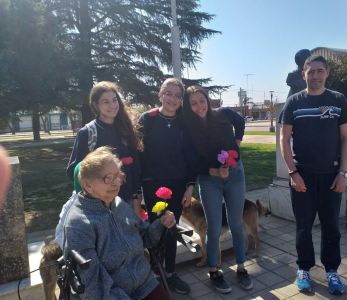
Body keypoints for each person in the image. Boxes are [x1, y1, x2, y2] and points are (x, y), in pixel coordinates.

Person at [62, 146, 175, 299]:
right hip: (112, 293)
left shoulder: (118, 203)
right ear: (87, 185)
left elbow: (145, 237)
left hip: (144, 282)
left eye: (118, 176)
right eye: (108, 178)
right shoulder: (79, 223)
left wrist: (161, 223)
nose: (116, 183)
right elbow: (93, 283)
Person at [280, 55, 347, 295]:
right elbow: (284, 139)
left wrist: (343, 172)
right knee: (303, 227)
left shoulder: (338, 100)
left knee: (331, 227)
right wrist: (293, 172)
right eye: (311, 72)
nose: (315, 76)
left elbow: (346, 139)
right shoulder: (294, 102)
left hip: (332, 176)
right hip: (303, 176)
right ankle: (303, 269)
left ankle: (332, 271)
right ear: (304, 74)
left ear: (327, 72)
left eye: (319, 71)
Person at [182, 85, 253, 294]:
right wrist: (213, 172)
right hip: (209, 179)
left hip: (235, 175)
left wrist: (237, 142)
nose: (198, 106)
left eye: (201, 101)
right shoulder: (189, 128)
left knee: (236, 223)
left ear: (207, 99)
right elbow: (192, 162)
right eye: (193, 103)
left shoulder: (223, 114)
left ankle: (241, 267)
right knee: (213, 227)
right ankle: (214, 270)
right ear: (189, 106)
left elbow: (239, 122)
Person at [139, 77, 194, 295]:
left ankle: (169, 273)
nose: (172, 98)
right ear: (160, 95)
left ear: (181, 99)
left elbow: (191, 154)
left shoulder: (185, 121)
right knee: (156, 229)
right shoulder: (148, 119)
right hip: (153, 186)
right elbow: (139, 154)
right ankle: (155, 274)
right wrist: (138, 192)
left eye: (177, 95)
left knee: (172, 228)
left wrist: (190, 186)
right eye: (168, 93)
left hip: (179, 184)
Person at [67, 81, 142, 212]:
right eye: (106, 102)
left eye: (114, 100)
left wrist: (136, 196)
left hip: (127, 202)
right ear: (96, 105)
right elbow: (75, 170)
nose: (112, 105)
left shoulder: (126, 129)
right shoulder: (88, 133)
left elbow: (135, 167)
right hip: (100, 204)